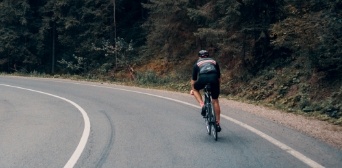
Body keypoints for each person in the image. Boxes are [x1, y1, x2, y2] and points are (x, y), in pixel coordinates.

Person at [190, 50, 222, 132]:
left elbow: (193, 80)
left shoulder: (197, 64)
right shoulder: (214, 62)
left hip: (203, 78)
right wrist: (217, 87)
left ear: (199, 57)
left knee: (195, 89)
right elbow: (219, 78)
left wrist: (192, 89)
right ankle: (218, 122)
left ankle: (202, 104)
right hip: (214, 79)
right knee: (215, 101)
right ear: (208, 56)